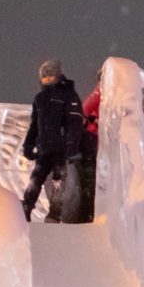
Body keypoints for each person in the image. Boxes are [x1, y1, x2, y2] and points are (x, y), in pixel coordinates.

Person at [21, 58, 100, 223]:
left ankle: (54, 214)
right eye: (44, 77)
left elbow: (75, 121)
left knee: (58, 180)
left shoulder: (67, 95)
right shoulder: (40, 98)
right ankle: (26, 208)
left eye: (50, 76)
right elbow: (35, 124)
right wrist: (28, 144)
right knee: (37, 178)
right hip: (45, 147)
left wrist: (71, 146)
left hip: (61, 148)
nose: (47, 80)